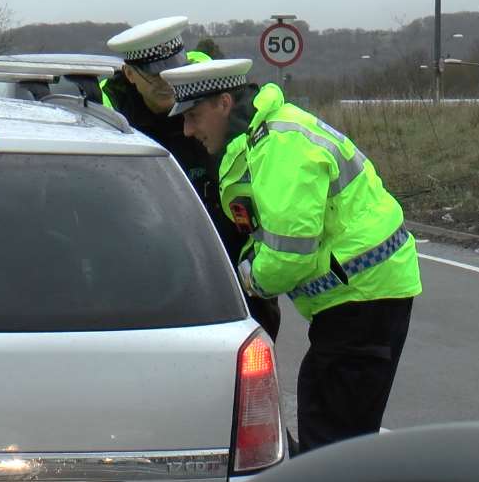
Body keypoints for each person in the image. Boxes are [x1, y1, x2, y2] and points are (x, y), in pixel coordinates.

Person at [161, 58, 422, 453]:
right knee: (338, 430)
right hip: (364, 295)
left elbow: (288, 255)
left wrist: (247, 278)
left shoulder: (280, 149)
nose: (187, 129)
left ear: (225, 103)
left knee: (331, 439)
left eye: (194, 116)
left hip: (361, 300)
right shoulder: (265, 135)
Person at [102, 17, 280, 341]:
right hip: (150, 261)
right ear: (130, 75)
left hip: (229, 257)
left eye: (174, 71)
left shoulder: (214, 90)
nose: (169, 86)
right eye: (156, 79)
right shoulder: (109, 114)